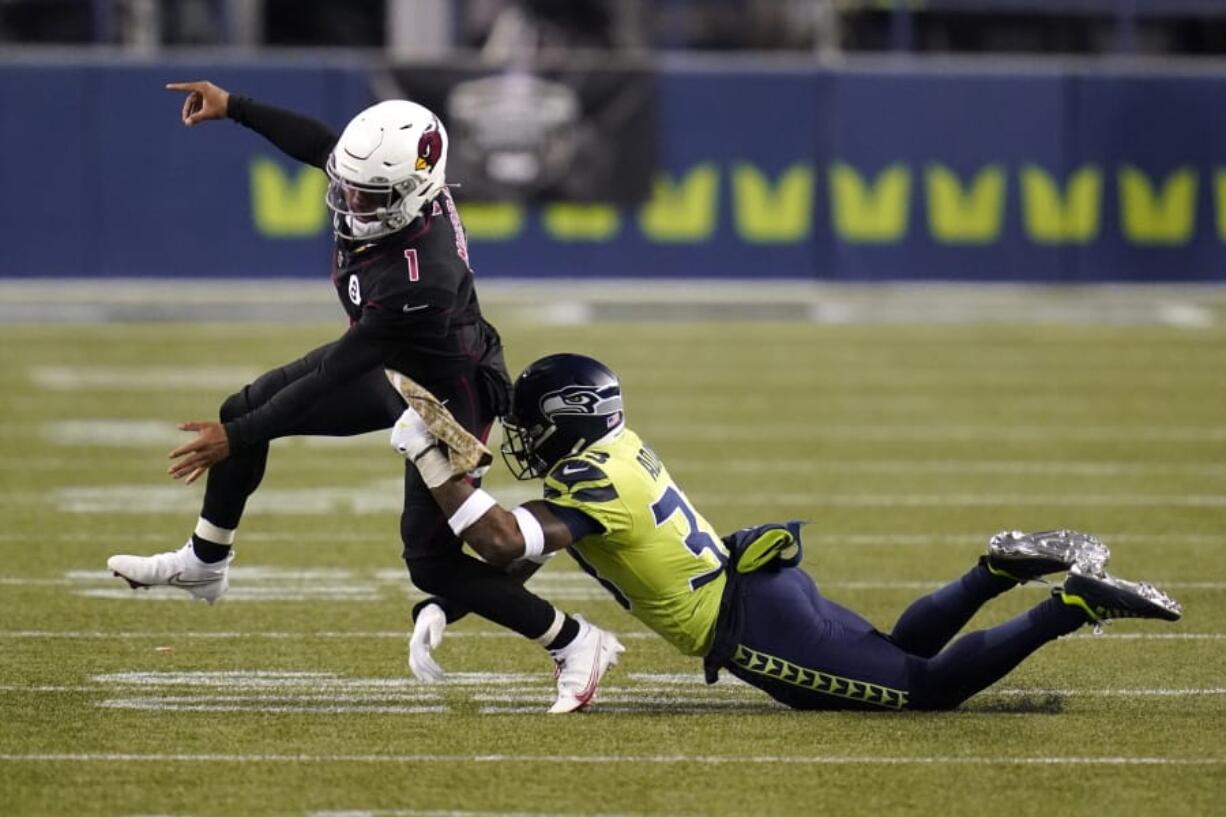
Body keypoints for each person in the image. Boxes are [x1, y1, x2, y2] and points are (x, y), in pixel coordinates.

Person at [106, 82, 618, 714]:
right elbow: (322, 145)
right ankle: (205, 563)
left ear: (416, 191)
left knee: (430, 562)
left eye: (368, 196)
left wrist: (233, 443)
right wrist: (236, 105)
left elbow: (334, 373)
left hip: (443, 400)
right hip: (396, 368)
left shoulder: (420, 276)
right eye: (350, 187)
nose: (351, 202)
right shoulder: (387, 187)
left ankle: (574, 642)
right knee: (245, 407)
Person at [389, 352, 1183, 711]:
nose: (522, 437)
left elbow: (502, 541)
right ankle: (996, 570)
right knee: (899, 651)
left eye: (532, 422)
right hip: (759, 587)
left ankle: (1070, 605)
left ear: (567, 421)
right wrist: (450, 605)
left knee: (923, 689)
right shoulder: (607, 456)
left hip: (746, 621)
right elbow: (531, 549)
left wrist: (432, 460)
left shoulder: (595, 482)